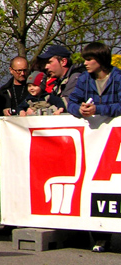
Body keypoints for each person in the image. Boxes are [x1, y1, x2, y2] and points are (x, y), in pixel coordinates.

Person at [66, 42, 121, 252]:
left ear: (101, 59)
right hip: (93, 139)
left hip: (115, 140)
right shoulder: (83, 79)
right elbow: (71, 101)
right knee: (93, 186)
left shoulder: (118, 77)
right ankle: (100, 236)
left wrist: (99, 108)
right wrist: (80, 110)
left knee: (114, 187)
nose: (85, 63)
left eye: (89, 59)